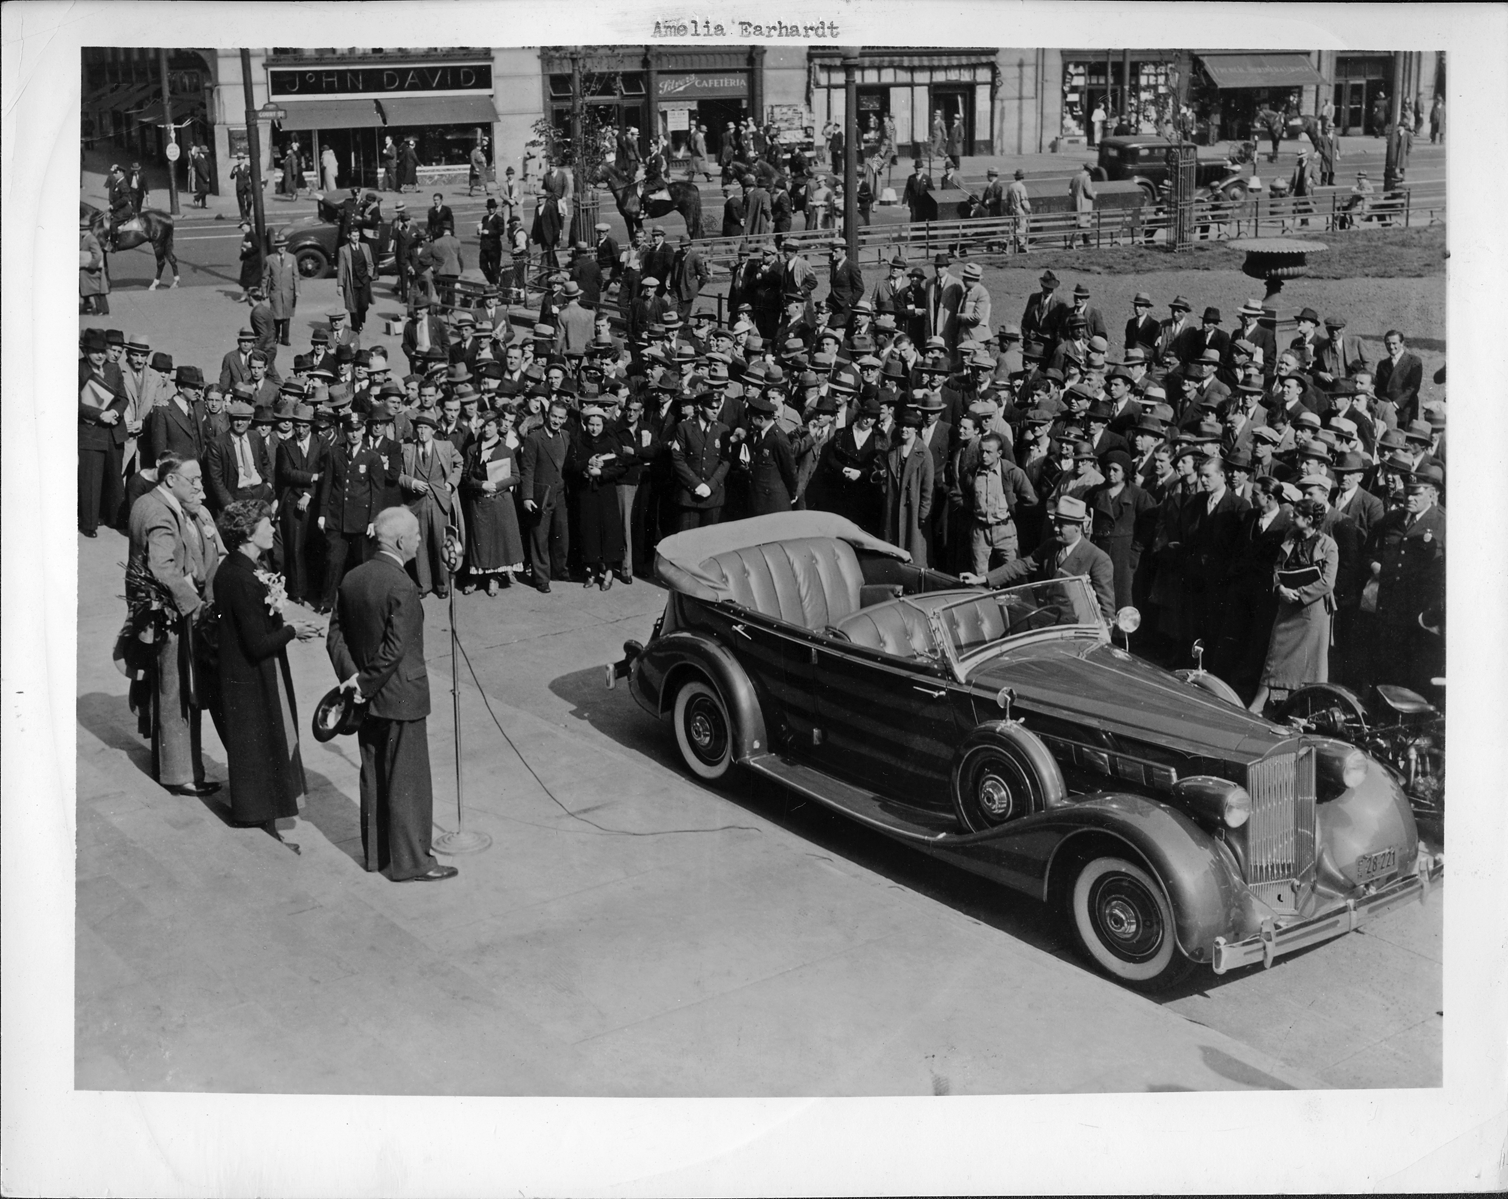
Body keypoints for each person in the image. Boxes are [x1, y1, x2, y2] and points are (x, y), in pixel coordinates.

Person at [326, 506, 457, 883]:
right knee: (408, 782)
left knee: (373, 774)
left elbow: (334, 635)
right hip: (401, 697)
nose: (419, 540)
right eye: (416, 535)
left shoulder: (353, 577)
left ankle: (379, 856)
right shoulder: (402, 585)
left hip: (365, 700)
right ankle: (413, 862)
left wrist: (353, 680)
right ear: (401, 542)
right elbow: (396, 647)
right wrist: (365, 683)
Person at [213, 499, 322, 849]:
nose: (273, 529)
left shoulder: (239, 567)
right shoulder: (243, 578)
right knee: (265, 746)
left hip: (248, 672)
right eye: (266, 525)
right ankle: (264, 823)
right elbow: (258, 642)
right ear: (247, 533)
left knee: (258, 746)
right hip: (252, 675)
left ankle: (261, 817)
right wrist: (293, 631)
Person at [124, 453, 224, 795]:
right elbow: (162, 567)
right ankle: (180, 773)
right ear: (171, 480)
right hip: (169, 617)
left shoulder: (147, 501)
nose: (199, 486)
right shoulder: (160, 513)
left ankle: (180, 768)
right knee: (176, 691)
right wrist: (194, 606)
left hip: (156, 614)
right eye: (192, 480)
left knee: (168, 690)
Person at [962, 495, 1115, 623]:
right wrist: (982, 579)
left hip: (1077, 628)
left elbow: (1107, 610)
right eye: (1055, 522)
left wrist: (1101, 640)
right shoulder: (1051, 546)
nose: (1055, 528)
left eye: (1061, 525)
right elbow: (1022, 565)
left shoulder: (1098, 559)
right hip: (1047, 620)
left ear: (1078, 527)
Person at [1248, 498, 1338, 713]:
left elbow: (1327, 582)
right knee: (1276, 660)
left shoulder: (1328, 544)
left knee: (1306, 668)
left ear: (1309, 520)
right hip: (1287, 607)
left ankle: (1299, 710)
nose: (1291, 516)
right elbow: (1278, 568)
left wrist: (1300, 594)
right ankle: (1265, 703)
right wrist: (1280, 589)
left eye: (1296, 514)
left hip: (1312, 613)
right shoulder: (1290, 537)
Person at [460, 407, 525, 596]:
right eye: (483, 426)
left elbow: (516, 476)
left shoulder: (506, 450)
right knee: (479, 540)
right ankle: (475, 577)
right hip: (479, 502)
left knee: (498, 541)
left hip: (499, 501)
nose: (486, 430)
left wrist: (496, 485)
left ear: (497, 426)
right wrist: (481, 485)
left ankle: (493, 578)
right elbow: (465, 476)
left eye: (490, 426)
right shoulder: (473, 450)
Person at [399, 411, 462, 598]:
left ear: (434, 430)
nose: (421, 432)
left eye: (426, 428)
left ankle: (443, 586)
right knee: (420, 545)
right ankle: (423, 585)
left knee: (440, 542)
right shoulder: (407, 449)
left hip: (439, 501)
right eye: (419, 428)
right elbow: (399, 474)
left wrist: (450, 484)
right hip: (417, 504)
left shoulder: (445, 446)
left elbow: (459, 463)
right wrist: (412, 483)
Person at [569, 406, 628, 589]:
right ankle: (593, 571)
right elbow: (570, 466)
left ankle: (609, 572)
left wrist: (601, 472)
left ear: (604, 425)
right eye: (591, 424)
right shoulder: (578, 441)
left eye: (598, 425)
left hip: (606, 492)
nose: (594, 429)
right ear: (585, 424)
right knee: (590, 532)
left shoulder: (610, 441)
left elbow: (621, 466)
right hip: (586, 494)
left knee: (608, 532)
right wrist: (586, 467)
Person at [519, 399, 572, 592]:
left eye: (560, 417)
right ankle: (541, 578)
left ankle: (559, 571)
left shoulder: (566, 436)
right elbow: (527, 469)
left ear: (565, 419)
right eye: (553, 416)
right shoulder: (534, 438)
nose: (556, 420)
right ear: (547, 415)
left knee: (561, 536)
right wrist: (527, 497)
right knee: (539, 537)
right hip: (541, 494)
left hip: (561, 495)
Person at [261, 233, 299, 347]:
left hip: (289, 292)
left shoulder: (292, 258)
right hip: (276, 292)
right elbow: (265, 276)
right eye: (279, 246)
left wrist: (297, 290)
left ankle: (285, 339)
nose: (282, 248)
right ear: (276, 247)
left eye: (283, 246)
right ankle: (276, 337)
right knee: (276, 317)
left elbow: (296, 275)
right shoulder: (269, 259)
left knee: (286, 317)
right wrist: (263, 291)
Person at [336, 226, 375, 334]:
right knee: (353, 306)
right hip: (352, 282)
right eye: (354, 236)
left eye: (357, 236)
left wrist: (369, 276)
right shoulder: (343, 250)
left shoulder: (365, 247)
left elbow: (370, 263)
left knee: (363, 305)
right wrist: (340, 285)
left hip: (364, 281)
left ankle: (360, 321)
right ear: (349, 236)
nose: (356, 238)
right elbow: (341, 269)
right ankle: (355, 327)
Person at [80, 213, 109, 315]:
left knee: (97, 292)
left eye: (80, 230)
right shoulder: (86, 238)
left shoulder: (91, 239)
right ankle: (95, 307)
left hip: (92, 271)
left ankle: (102, 310)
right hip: (89, 272)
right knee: (94, 291)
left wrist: (90, 265)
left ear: (85, 230)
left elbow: (98, 255)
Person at [1068, 160, 1097, 249]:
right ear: (1090, 171)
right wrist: (1094, 195)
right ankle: (1072, 242)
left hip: (1076, 203)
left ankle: (1086, 241)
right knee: (1082, 223)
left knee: (1081, 223)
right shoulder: (1086, 178)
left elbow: (1069, 191)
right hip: (1084, 204)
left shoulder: (1075, 177)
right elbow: (1088, 192)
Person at [237, 222, 263, 300]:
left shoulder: (252, 236)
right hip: (249, 260)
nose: (242, 228)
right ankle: (246, 295)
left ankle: (256, 295)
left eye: (243, 226)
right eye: (241, 227)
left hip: (252, 261)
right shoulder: (248, 235)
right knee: (247, 280)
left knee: (253, 280)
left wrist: (246, 251)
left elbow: (256, 247)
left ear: (248, 226)